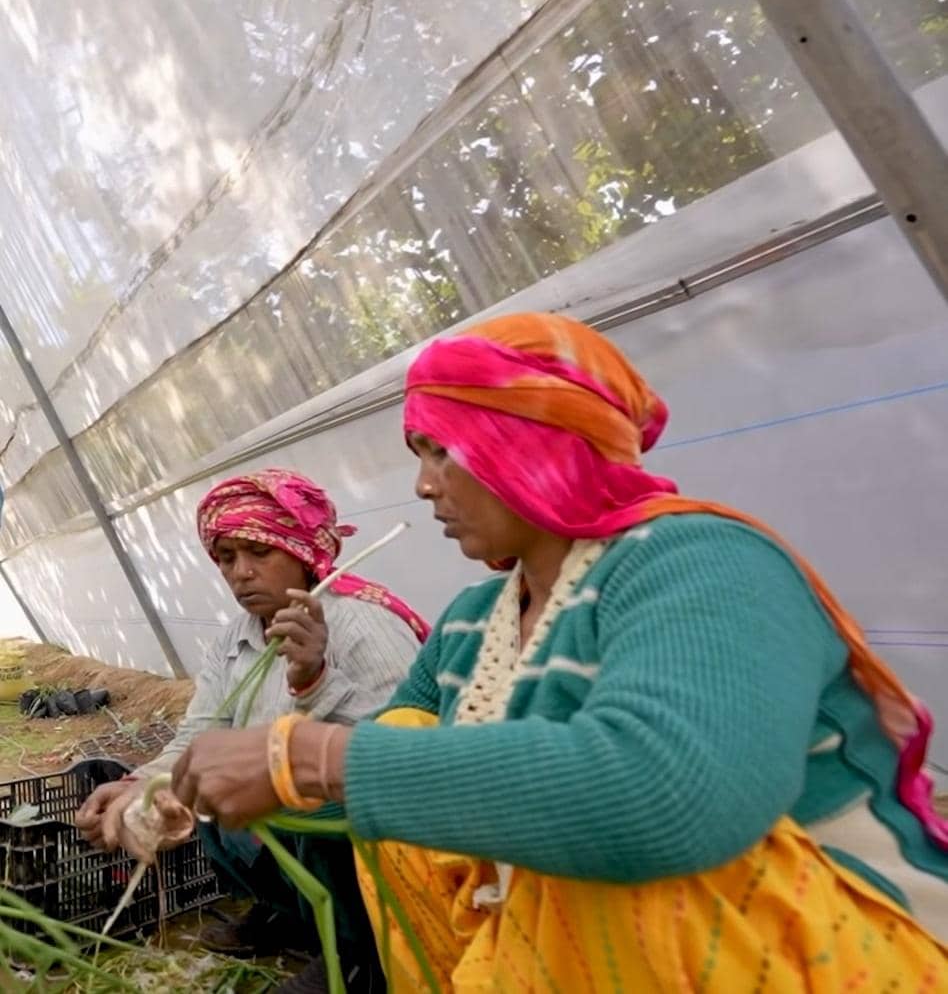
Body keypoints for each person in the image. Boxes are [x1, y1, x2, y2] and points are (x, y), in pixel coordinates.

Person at [170, 314, 947, 992]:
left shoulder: (700, 561)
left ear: (530, 443)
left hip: (809, 948)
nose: (421, 485)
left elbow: (671, 793)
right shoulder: (475, 620)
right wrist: (190, 790)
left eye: (441, 450)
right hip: (589, 960)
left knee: (604, 878)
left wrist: (310, 758)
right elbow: (388, 773)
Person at [77, 469, 426, 993]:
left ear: (301, 550)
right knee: (208, 785)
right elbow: (198, 733)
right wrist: (137, 785)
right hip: (282, 818)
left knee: (303, 809)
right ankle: (289, 913)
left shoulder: (360, 623)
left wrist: (317, 681)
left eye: (258, 552)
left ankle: (363, 956)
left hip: (362, 832)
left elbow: (403, 758)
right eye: (226, 557)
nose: (240, 573)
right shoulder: (235, 638)